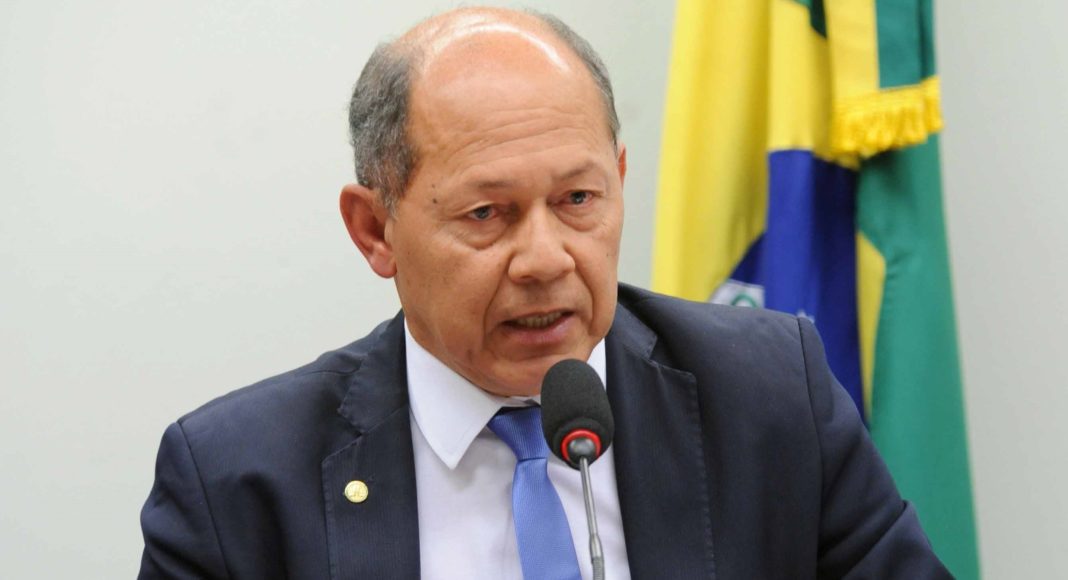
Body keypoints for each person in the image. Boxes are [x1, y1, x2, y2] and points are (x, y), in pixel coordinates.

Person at [138, 7, 950, 579]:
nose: (545, 259)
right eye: (486, 214)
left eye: (578, 200)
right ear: (375, 230)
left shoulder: (769, 397)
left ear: (620, 180)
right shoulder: (238, 483)